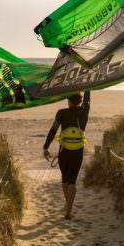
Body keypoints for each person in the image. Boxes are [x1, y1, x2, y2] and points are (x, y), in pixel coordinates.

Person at [43, 90, 90, 219]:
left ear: (68, 100)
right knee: (72, 180)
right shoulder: (84, 111)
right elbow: (87, 101)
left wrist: (46, 147)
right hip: (78, 150)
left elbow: (53, 130)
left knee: (65, 179)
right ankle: (68, 211)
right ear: (79, 101)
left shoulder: (61, 113)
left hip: (64, 150)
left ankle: (67, 205)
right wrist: (88, 87)